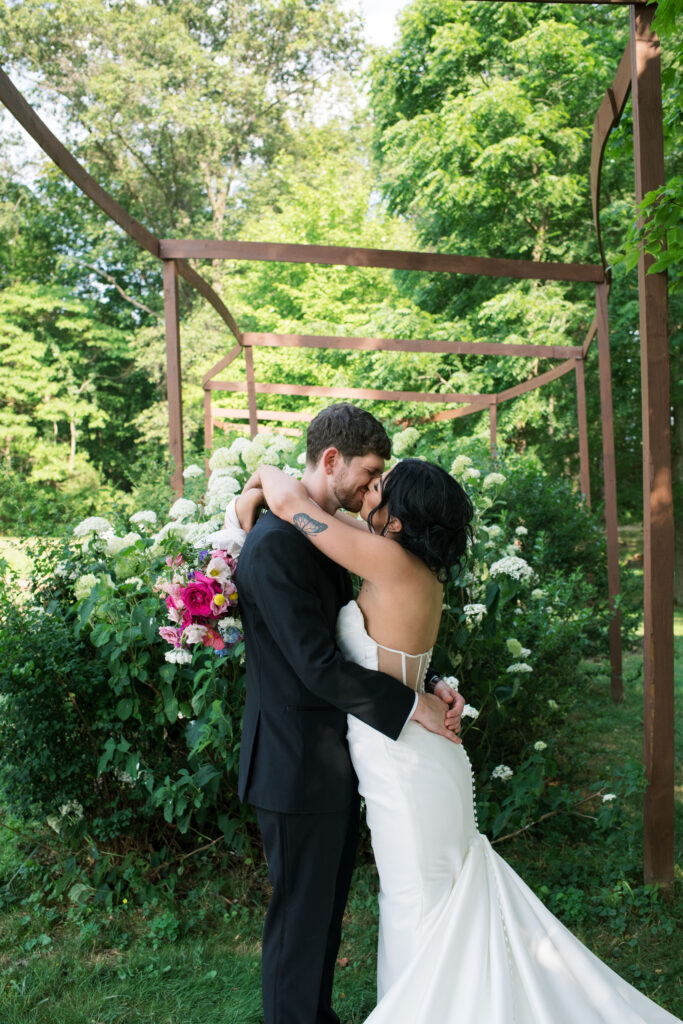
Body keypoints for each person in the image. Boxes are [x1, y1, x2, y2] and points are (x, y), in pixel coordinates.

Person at [238, 454, 682, 1024]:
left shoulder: (388, 562)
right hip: (411, 753)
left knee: (419, 905)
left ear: (397, 521)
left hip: (407, 764)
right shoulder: (401, 562)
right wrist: (254, 492)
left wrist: (259, 478)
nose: (371, 491)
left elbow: (292, 502)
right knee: (417, 902)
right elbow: (304, 513)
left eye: (383, 488)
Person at [226, 404, 464, 1024]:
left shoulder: (332, 540)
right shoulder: (276, 546)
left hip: (339, 765)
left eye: (380, 480)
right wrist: (412, 704)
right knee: (300, 923)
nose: (370, 489)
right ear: (331, 460)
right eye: (368, 473)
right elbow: (317, 666)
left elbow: (371, 636)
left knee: (323, 920)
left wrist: (425, 682)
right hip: (295, 762)